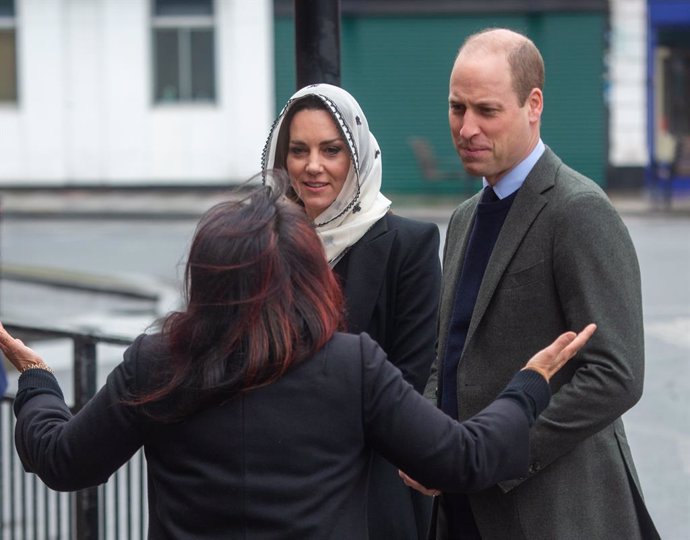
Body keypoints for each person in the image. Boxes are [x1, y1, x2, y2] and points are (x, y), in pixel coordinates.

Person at [2, 182, 595, 539]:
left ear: (206, 279)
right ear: (310, 278)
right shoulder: (350, 365)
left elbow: (62, 459)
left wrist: (36, 383)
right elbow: (464, 460)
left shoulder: (159, 362)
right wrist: (528, 385)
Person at [408, 28, 659, 539]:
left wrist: (499, 453)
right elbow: (449, 354)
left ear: (533, 105)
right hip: (459, 509)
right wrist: (431, 445)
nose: (467, 128)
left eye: (487, 110)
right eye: (457, 108)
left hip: (553, 511)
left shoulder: (579, 210)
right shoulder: (463, 219)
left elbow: (616, 374)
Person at [261, 83, 442, 539]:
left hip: (371, 491)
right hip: (277, 487)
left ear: (357, 155)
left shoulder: (408, 246)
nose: (313, 166)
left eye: (331, 150)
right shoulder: (260, 245)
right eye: (298, 150)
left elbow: (410, 377)